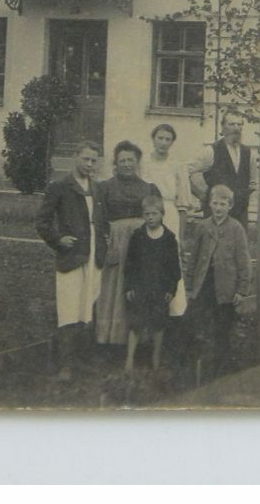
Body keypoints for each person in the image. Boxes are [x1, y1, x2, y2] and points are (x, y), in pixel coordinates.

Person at [34, 141, 103, 381]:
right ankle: (65, 365)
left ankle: (83, 361)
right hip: (72, 256)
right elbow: (42, 222)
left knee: (88, 306)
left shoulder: (97, 188)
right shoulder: (60, 187)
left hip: (93, 255)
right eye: (85, 159)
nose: (89, 164)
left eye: (94, 160)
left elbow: (101, 220)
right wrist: (58, 239)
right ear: (76, 157)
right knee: (68, 307)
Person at [92, 140, 162, 346]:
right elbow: (99, 219)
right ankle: (111, 338)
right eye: (122, 160)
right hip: (116, 243)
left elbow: (158, 219)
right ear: (115, 163)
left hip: (142, 245)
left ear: (138, 162)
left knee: (139, 288)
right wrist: (106, 246)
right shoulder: (104, 188)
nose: (126, 164)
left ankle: (140, 340)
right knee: (113, 289)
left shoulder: (149, 188)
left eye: (130, 160)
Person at [184, 184, 251, 379]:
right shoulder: (203, 226)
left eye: (223, 204)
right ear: (209, 204)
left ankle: (220, 372)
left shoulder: (236, 228)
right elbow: (194, 258)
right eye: (215, 203)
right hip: (204, 283)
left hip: (225, 288)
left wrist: (242, 290)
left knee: (223, 329)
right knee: (191, 325)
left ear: (230, 206)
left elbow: (243, 261)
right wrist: (189, 286)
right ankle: (191, 369)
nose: (218, 208)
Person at [137, 122, 194, 318]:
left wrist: (182, 237)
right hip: (147, 213)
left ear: (172, 142)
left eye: (168, 139)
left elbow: (183, 204)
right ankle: (146, 308)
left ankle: (174, 310)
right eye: (160, 138)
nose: (163, 142)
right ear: (153, 139)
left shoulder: (178, 166)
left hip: (169, 214)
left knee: (170, 258)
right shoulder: (143, 163)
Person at [123, 194, 181, 375]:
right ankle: (129, 359)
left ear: (162, 214)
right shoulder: (138, 236)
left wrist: (171, 289)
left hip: (159, 289)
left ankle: (156, 358)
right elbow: (130, 264)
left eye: (154, 214)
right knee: (136, 323)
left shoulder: (169, 238)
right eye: (146, 214)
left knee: (158, 324)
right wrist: (129, 286)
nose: (150, 218)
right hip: (140, 287)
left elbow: (174, 268)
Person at [189, 117, 255, 225]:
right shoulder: (211, 151)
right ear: (223, 127)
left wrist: (240, 197)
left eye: (239, 125)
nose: (236, 128)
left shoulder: (249, 153)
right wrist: (201, 195)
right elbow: (183, 172)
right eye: (231, 124)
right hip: (215, 214)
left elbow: (252, 184)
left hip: (240, 216)